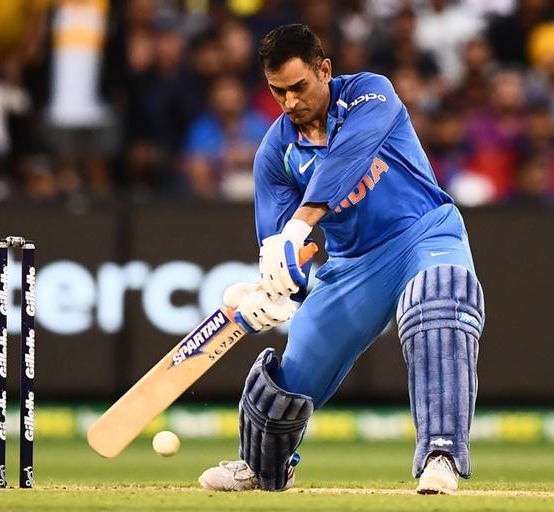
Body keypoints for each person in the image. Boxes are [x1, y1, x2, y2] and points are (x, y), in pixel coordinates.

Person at [198, 24, 485, 496]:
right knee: (289, 380)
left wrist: (298, 226)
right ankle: (263, 465)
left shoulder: (372, 94)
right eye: (277, 91)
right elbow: (278, 246)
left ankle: (441, 454)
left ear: (324, 70)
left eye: (298, 87)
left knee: (438, 302)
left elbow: (346, 159)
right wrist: (272, 289)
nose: (289, 103)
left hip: (424, 235)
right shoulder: (275, 152)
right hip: (353, 268)